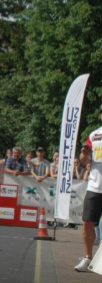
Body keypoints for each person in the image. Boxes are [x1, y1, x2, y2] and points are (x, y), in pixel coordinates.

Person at [75, 109, 102, 272]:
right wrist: (84, 154)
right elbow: (84, 160)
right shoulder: (94, 135)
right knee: (87, 223)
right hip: (95, 186)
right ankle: (87, 257)